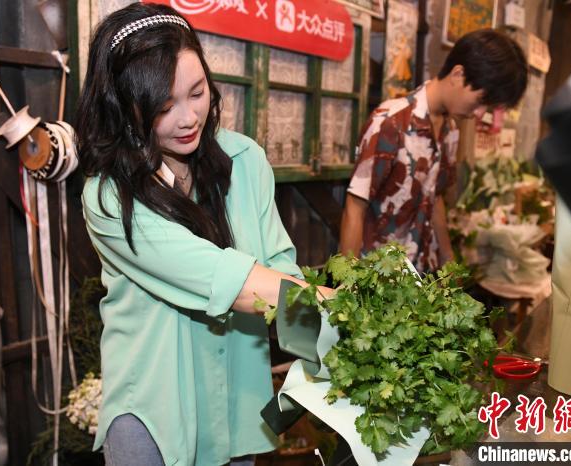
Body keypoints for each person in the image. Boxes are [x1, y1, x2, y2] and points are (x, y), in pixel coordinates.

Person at [75, 4, 333, 466]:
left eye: (197, 93)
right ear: (124, 107)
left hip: (238, 400)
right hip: (154, 410)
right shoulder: (111, 197)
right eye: (163, 106)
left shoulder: (245, 159)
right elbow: (222, 278)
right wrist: (340, 312)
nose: (188, 117)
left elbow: (278, 262)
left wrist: (323, 347)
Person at [340, 29, 528, 272]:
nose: (479, 113)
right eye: (480, 101)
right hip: (376, 279)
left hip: (419, 275)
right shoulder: (390, 123)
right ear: (458, 74)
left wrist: (448, 258)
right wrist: (347, 287)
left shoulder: (450, 130)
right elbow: (355, 206)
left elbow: (434, 195)